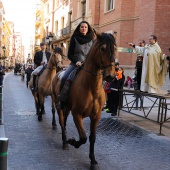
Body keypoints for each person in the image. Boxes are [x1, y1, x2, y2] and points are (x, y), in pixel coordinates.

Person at [58, 20, 96, 104]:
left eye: (85, 27)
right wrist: (76, 62)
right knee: (64, 77)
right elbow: (69, 54)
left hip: (88, 65)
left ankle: (100, 101)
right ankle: (62, 99)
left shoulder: (92, 39)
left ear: (88, 28)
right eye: (82, 27)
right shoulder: (74, 38)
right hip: (75, 64)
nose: (83, 28)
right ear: (79, 28)